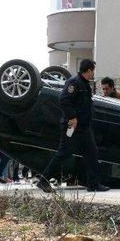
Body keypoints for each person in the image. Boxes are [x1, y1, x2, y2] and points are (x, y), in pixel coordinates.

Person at [37, 59, 109, 193]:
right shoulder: (74, 82)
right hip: (72, 127)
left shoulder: (84, 84)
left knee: (92, 154)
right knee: (63, 153)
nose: (93, 74)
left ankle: (93, 184)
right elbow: (64, 99)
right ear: (88, 71)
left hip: (84, 128)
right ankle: (43, 180)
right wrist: (72, 117)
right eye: (93, 71)